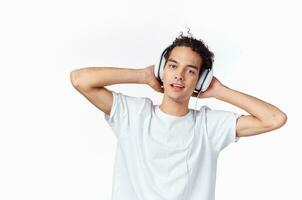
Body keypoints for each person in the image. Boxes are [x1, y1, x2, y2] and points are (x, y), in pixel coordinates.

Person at [70, 31, 287, 200]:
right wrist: (143, 75)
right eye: (173, 66)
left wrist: (219, 91)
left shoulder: (208, 126)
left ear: (200, 80)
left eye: (190, 71)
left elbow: (274, 119)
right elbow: (80, 79)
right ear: (162, 70)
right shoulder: (133, 114)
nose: (179, 75)